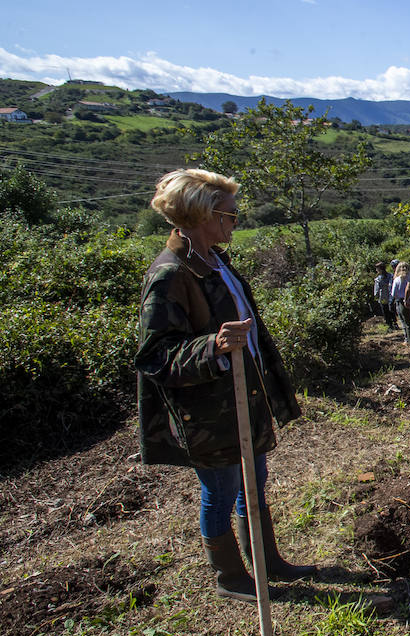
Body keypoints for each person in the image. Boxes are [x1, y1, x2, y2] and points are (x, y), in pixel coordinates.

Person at [135, 168, 315, 603]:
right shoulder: (171, 274)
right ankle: (230, 577)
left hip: (242, 396)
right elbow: (155, 356)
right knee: (221, 489)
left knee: (254, 478)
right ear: (204, 216)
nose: (236, 221)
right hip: (210, 409)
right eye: (231, 214)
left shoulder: (213, 261)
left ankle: (267, 561)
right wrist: (211, 346)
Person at [391, 260, 410, 347]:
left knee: (405, 322)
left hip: (401, 301)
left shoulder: (397, 279)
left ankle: (409, 340)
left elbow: (393, 293)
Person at [372, 262, 397, 330]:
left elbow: (376, 290)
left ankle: (389, 325)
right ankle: (395, 323)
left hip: (382, 297)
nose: (376, 270)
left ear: (380, 269)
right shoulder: (391, 276)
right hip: (391, 296)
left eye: (377, 269)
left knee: (385, 312)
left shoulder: (378, 279)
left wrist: (376, 296)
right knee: (391, 310)